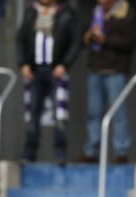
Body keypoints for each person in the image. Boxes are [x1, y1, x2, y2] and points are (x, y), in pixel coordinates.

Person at [17, 0, 80, 165]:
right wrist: (23, 63)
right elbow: (21, 39)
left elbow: (75, 42)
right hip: (35, 70)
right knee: (32, 113)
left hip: (56, 71)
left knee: (60, 113)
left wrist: (65, 64)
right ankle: (29, 152)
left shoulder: (66, 12)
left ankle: (60, 153)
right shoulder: (31, 11)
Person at [76, 0, 136, 164]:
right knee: (93, 113)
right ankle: (91, 151)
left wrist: (105, 40)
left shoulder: (126, 13)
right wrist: (88, 37)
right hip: (95, 69)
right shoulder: (95, 12)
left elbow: (130, 42)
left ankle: (121, 152)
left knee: (119, 113)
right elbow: (81, 38)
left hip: (116, 70)